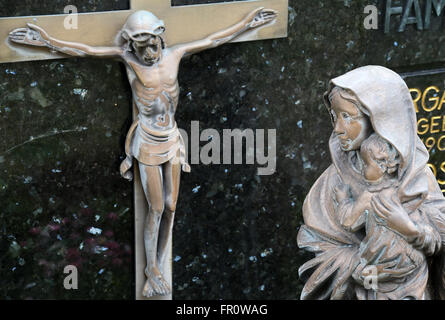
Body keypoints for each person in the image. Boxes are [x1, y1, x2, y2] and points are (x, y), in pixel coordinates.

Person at [8, 8, 277, 297]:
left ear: (160, 37)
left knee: (172, 206)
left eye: (151, 44)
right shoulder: (128, 60)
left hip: (171, 137)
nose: (148, 52)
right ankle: (152, 268)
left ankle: (158, 264)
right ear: (131, 46)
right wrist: (47, 40)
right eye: (140, 47)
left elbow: (213, 39)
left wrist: (249, 23)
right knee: (157, 207)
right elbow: (86, 49)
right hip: (147, 141)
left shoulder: (176, 54)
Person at [298, 66, 445, 300]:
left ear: (380, 117)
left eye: (348, 117)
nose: (338, 129)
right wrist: (361, 266)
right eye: (336, 117)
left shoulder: (416, 175)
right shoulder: (333, 182)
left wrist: (411, 231)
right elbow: (317, 249)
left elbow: (440, 235)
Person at [335, 132, 426, 299]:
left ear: (383, 165)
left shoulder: (369, 196)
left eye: (366, 164)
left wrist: (343, 200)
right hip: (408, 261)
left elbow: (348, 221)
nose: (362, 169)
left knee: (362, 282)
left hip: (381, 262)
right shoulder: (402, 191)